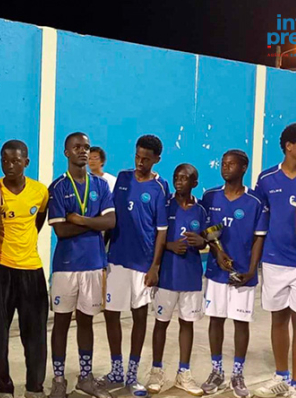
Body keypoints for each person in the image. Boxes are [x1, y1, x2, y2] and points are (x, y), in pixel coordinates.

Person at [48, 132, 115, 398]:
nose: (83, 151)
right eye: (77, 147)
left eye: (86, 147)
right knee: (61, 323)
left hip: (93, 263)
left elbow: (110, 223)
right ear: (66, 152)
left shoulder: (100, 186)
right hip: (65, 266)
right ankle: (58, 379)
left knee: (86, 322)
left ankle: (85, 378)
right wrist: (93, 222)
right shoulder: (58, 187)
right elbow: (60, 231)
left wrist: (79, 219)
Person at [103, 134, 169, 397]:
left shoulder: (160, 187)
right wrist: (102, 254)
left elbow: (162, 231)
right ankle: (116, 368)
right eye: (137, 157)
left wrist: (155, 266)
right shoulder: (122, 178)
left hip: (143, 264)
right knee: (111, 313)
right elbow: (112, 218)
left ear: (156, 160)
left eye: (146, 159)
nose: (140, 162)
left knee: (139, 315)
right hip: (116, 258)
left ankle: (132, 373)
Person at [199, 150, 267, 398]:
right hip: (217, 273)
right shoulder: (210, 197)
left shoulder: (255, 201)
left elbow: (259, 239)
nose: (225, 167)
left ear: (244, 167)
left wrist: (251, 269)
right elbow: (207, 230)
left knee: (241, 322)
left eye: (231, 164)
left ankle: (238, 374)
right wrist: (217, 252)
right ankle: (216, 370)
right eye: (223, 163)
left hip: (243, 275)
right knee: (216, 319)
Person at [0, 140, 50, 398]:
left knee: (35, 335)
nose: (9, 165)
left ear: (26, 162)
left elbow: (38, 222)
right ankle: (5, 388)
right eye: (4, 160)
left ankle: (34, 388)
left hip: (31, 271)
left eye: (15, 160)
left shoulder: (40, 191)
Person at [146, 164, 207, 396]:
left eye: (185, 178)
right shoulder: (165, 205)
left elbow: (207, 239)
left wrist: (201, 242)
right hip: (167, 277)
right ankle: (156, 370)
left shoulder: (200, 210)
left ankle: (184, 372)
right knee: (161, 323)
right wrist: (169, 246)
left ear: (195, 183)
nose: (179, 181)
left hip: (191, 277)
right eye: (176, 177)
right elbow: (153, 235)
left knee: (187, 324)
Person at [253, 123, 296, 398]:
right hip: (274, 260)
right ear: (290, 146)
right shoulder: (267, 179)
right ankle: (281, 377)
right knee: (278, 319)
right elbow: (258, 221)